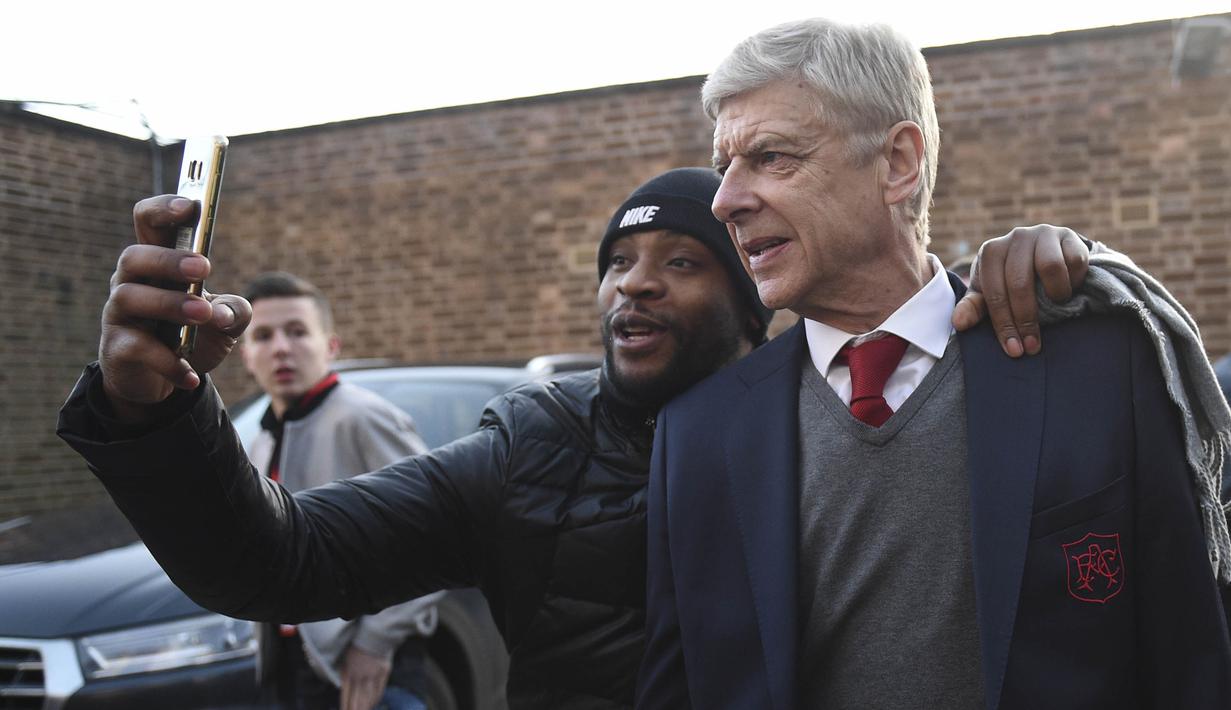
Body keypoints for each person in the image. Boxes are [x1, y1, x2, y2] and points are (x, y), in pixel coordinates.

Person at [57, 167, 1086, 709]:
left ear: (749, 305)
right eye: (619, 259)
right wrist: (156, 413)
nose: (634, 281)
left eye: (680, 259)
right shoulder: (530, 449)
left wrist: (1065, 281)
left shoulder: (832, 426)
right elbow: (275, 559)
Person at [636, 19, 1231, 710]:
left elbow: (1192, 657)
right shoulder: (695, 434)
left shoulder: (1097, 366)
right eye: (724, 167)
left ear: (897, 163)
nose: (726, 200)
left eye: (770, 157)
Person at [237, 271, 437, 710]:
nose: (282, 348)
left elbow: (437, 535)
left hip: (365, 666)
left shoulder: (362, 418)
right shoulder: (261, 439)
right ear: (247, 356)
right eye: (264, 336)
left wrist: (375, 643)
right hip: (292, 664)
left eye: (297, 332)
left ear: (331, 346)